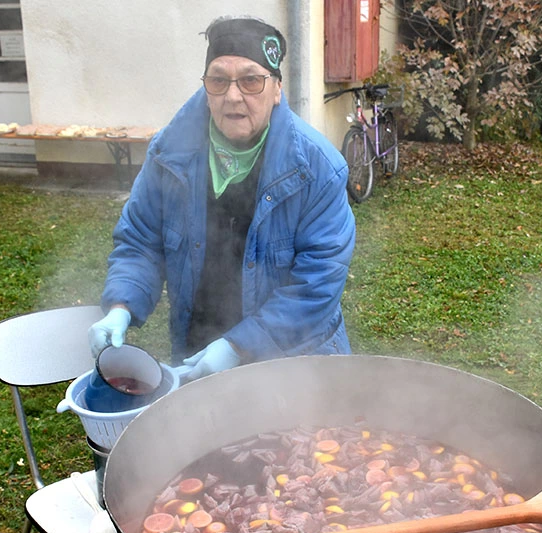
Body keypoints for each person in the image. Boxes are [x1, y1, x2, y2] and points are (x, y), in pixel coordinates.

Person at [88, 15, 355, 382]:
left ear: (277, 89)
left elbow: (317, 283)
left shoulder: (318, 169)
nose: (233, 96)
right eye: (218, 80)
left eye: (251, 80)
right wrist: (120, 305)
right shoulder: (169, 155)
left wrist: (239, 346)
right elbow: (140, 242)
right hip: (199, 348)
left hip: (296, 362)